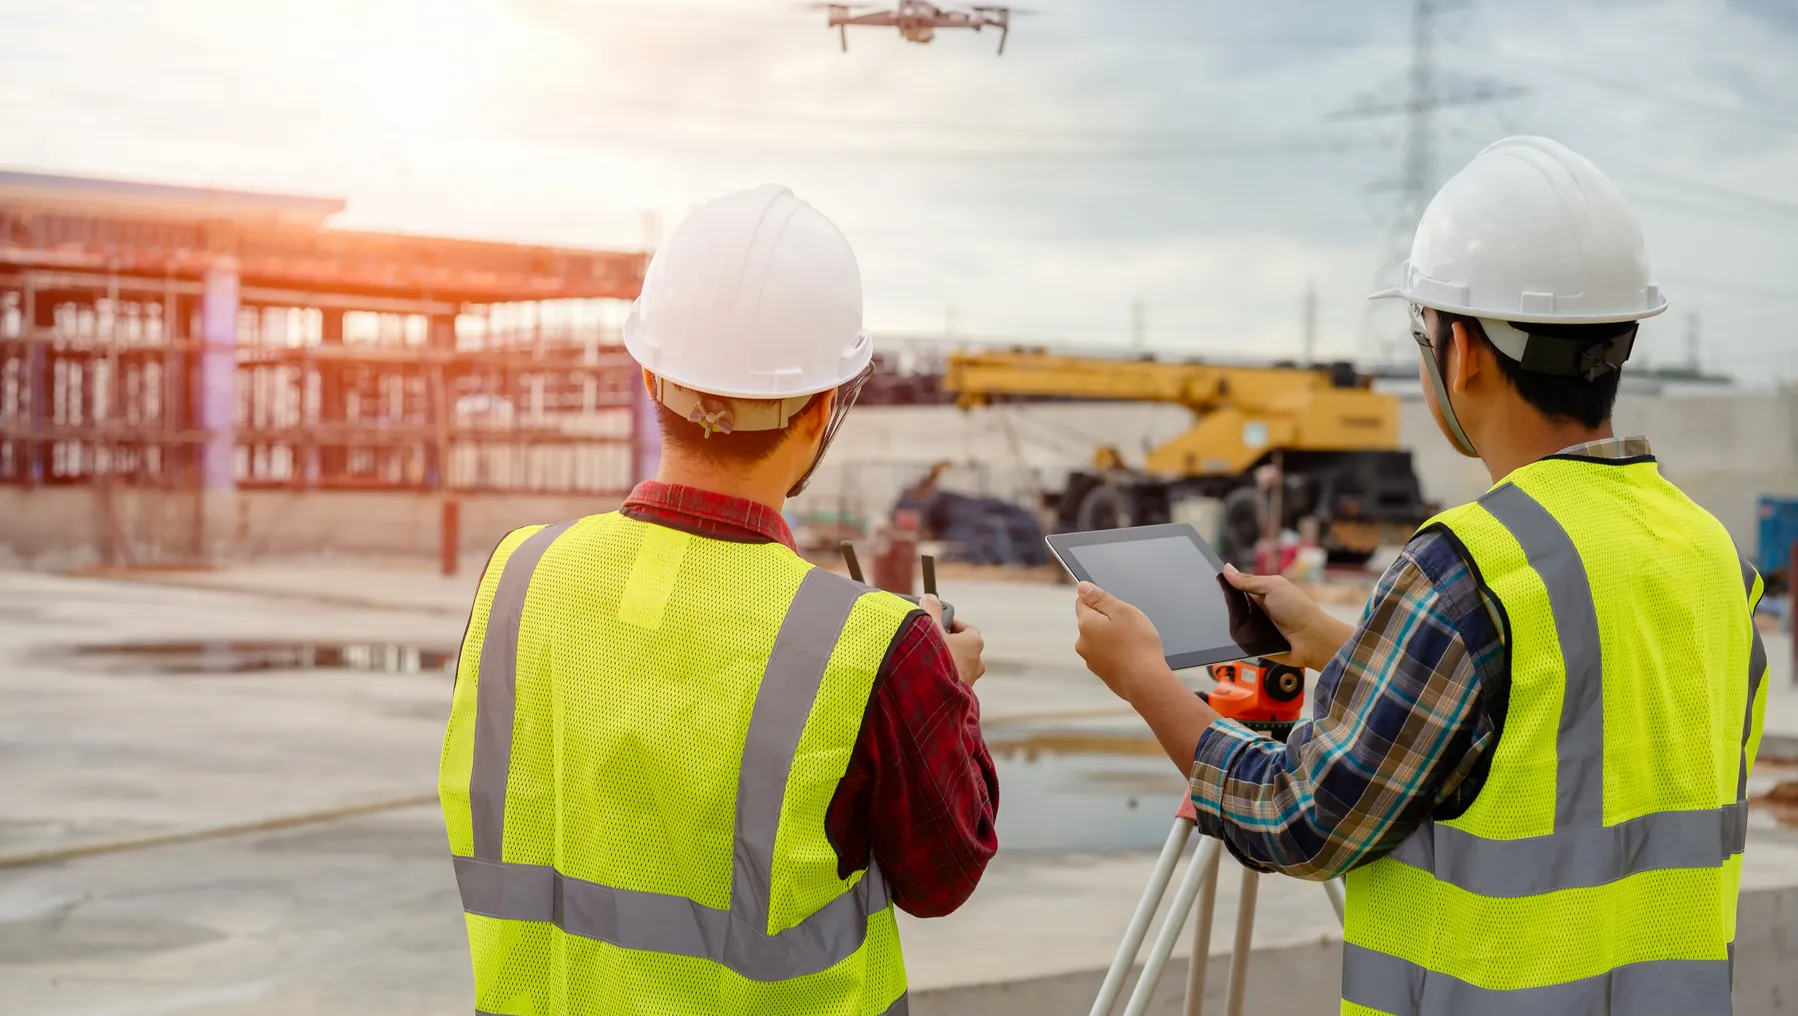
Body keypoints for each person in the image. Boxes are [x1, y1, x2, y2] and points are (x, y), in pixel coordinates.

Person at [1071, 137, 1768, 1015]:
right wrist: (1340, 645)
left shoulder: (1466, 569)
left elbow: (1295, 820)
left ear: (1463, 350)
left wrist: (1144, 680)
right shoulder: (1715, 559)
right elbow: (1564, 719)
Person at [439, 185, 997, 1016]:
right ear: (822, 409)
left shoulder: (521, 574)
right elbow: (944, 874)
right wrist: (944, 697)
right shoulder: (875, 646)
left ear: (650, 374)